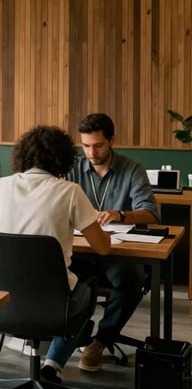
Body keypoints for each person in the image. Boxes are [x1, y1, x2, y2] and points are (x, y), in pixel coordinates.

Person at [0, 125, 111, 389]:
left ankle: (47, 369)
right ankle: (52, 366)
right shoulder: (70, 192)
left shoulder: (0, 186)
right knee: (86, 283)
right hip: (52, 306)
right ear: (63, 158)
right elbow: (102, 248)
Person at [68, 113, 160, 372]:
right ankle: (64, 339)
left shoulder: (131, 169)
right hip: (82, 251)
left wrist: (121, 215)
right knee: (56, 271)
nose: (91, 152)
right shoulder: (72, 169)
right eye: (85, 146)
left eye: (98, 145)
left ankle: (100, 340)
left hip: (117, 252)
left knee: (131, 278)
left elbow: (151, 213)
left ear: (111, 141)